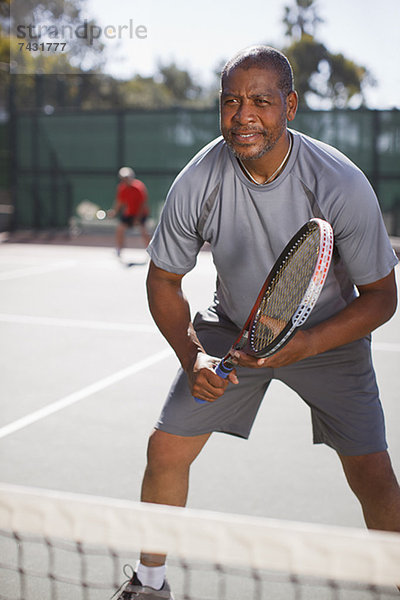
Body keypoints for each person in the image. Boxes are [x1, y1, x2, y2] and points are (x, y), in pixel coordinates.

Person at [112, 46, 400, 600]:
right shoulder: (199, 179)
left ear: (289, 105)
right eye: (231, 102)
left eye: (262, 101)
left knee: (372, 472)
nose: (244, 115)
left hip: (331, 338)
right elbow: (162, 281)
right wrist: (192, 356)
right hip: (233, 329)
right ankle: (149, 584)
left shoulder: (340, 182)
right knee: (166, 447)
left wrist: (309, 341)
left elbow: (383, 297)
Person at [108, 167, 151, 256]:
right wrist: (114, 211)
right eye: (123, 178)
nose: (125, 180)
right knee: (120, 229)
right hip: (129, 213)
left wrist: (137, 219)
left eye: (126, 178)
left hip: (141, 213)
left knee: (144, 232)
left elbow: (142, 204)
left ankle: (151, 251)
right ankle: (119, 249)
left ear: (131, 177)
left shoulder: (139, 187)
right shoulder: (122, 188)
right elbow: (120, 202)